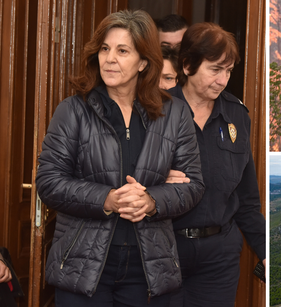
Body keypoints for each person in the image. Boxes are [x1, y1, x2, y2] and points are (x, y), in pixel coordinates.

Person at [35, 10, 204, 307]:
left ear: (143, 62)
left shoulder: (175, 113)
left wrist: (152, 200)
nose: (109, 58)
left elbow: (193, 185)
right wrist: (108, 199)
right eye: (104, 49)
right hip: (83, 266)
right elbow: (49, 182)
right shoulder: (73, 110)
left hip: (149, 269)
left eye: (122, 51)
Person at [166, 22, 266, 306]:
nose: (223, 80)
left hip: (218, 256)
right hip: (164, 249)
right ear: (187, 66)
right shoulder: (155, 110)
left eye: (229, 71)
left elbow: (246, 199)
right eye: (215, 69)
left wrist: (266, 251)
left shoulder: (237, 115)